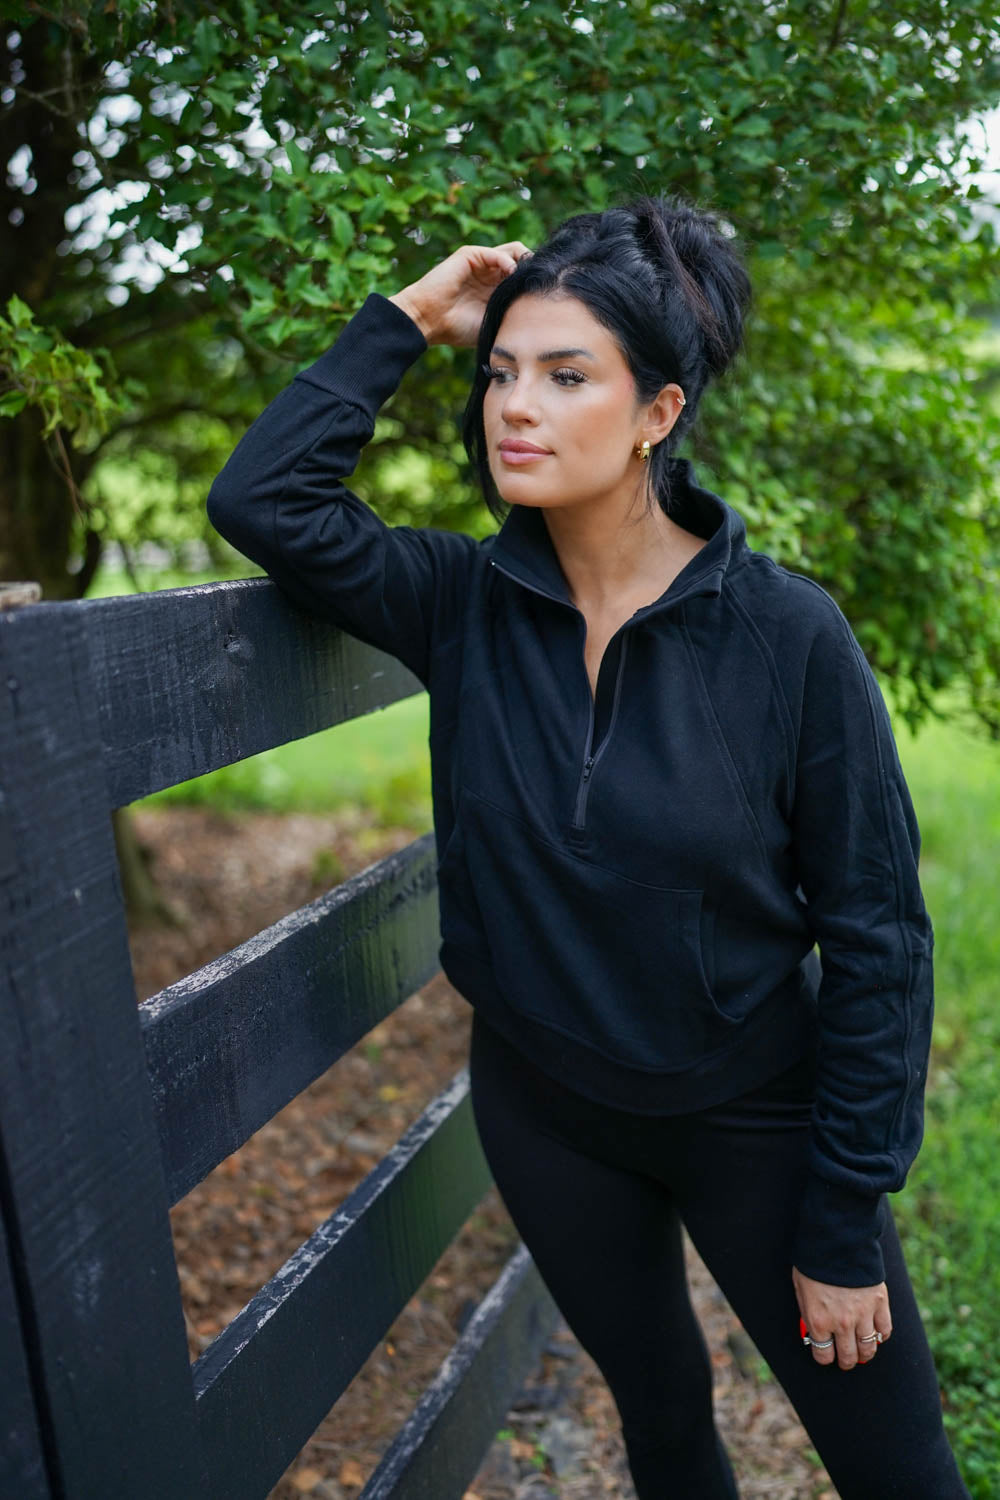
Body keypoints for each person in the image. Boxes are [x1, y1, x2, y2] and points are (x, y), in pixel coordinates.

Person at [206, 195, 969, 1498]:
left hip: (754, 1115)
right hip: (548, 1108)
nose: (516, 406)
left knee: (896, 1467)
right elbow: (261, 498)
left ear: (659, 412)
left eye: (567, 376)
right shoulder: (461, 603)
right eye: (502, 372)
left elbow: (880, 937)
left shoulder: (789, 638)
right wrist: (408, 319)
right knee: (661, 1417)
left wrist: (843, 1217)